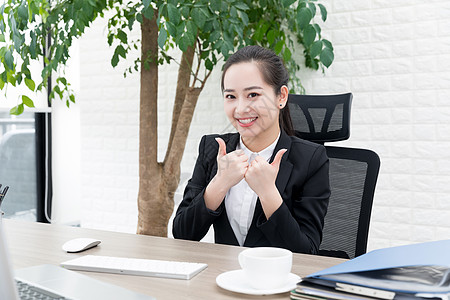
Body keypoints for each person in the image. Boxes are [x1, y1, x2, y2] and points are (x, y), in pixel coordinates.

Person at [172, 45, 330, 254]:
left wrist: (268, 193)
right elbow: (183, 234)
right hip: (224, 278)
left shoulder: (311, 160)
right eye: (231, 96)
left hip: (277, 282)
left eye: (253, 94)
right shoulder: (213, 149)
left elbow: (306, 252)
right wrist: (219, 184)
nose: (240, 109)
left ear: (281, 97)